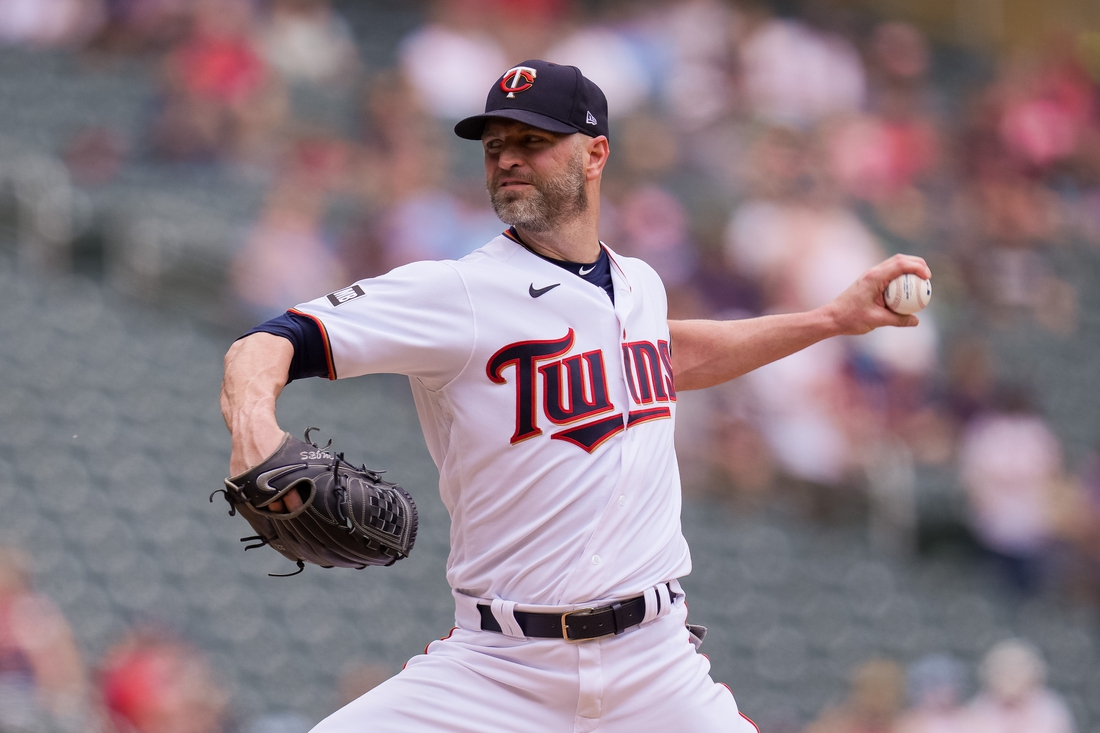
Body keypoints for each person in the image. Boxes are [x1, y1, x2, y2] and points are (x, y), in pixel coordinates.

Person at [220, 59, 930, 732]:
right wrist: (255, 430)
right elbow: (266, 344)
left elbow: (672, 354)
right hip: (498, 668)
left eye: (533, 140)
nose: (507, 158)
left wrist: (830, 320)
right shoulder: (460, 293)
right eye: (495, 144)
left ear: (595, 155)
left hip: (655, 665)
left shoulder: (640, 285)